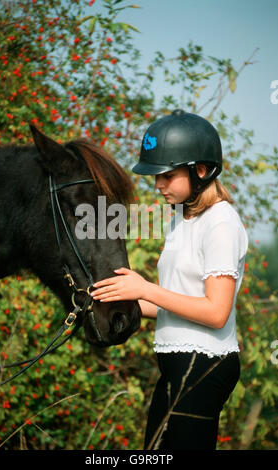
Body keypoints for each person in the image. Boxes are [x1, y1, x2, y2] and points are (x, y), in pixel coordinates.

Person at [90, 109, 248, 450]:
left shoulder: (221, 223)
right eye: (155, 176)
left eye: (167, 175)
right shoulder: (183, 216)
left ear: (201, 171)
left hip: (205, 364)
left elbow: (215, 312)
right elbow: (174, 302)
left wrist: (145, 287)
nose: (158, 185)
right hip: (176, 363)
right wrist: (118, 297)